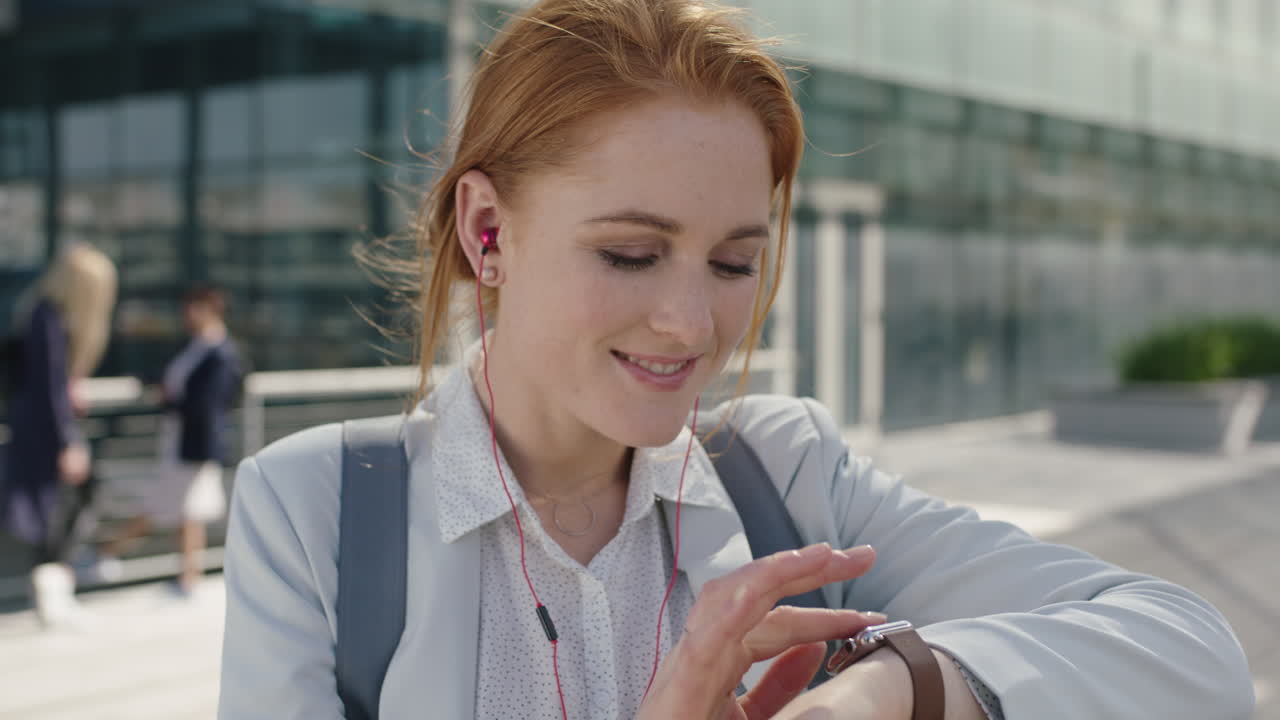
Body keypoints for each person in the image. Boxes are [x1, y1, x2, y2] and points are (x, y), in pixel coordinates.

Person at [218, 1, 1254, 718]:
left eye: (730, 262)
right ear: (487, 232)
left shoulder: (789, 475)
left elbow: (1186, 651)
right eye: (629, 253)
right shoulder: (316, 514)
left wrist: (896, 686)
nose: (689, 322)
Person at [96, 286, 241, 595]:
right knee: (188, 510)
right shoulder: (197, 348)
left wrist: (168, 399)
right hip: (181, 441)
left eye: (193, 308)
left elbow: (209, 401)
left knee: (172, 507)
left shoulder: (220, 352)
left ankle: (106, 553)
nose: (186, 314)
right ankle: (189, 577)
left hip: (195, 444)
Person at [1, 243, 117, 629]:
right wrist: (67, 441)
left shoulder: (40, 313)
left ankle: (56, 589)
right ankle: (56, 592)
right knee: (60, 506)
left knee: (56, 507)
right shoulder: (48, 317)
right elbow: (47, 386)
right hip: (44, 430)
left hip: (37, 425)